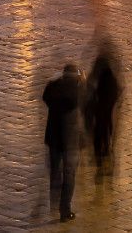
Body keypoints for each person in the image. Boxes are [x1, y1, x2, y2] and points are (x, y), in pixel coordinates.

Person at [41, 63, 84, 222]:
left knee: (55, 171)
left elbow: (45, 95)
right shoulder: (77, 91)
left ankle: (54, 202)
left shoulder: (53, 89)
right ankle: (64, 210)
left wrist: (54, 80)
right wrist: (83, 81)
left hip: (53, 139)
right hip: (70, 141)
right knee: (69, 174)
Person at [86, 47, 122, 180]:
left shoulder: (97, 80)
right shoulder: (112, 80)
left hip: (99, 116)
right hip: (107, 118)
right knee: (106, 137)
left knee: (98, 137)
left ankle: (100, 162)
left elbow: (89, 94)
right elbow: (117, 95)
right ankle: (106, 157)